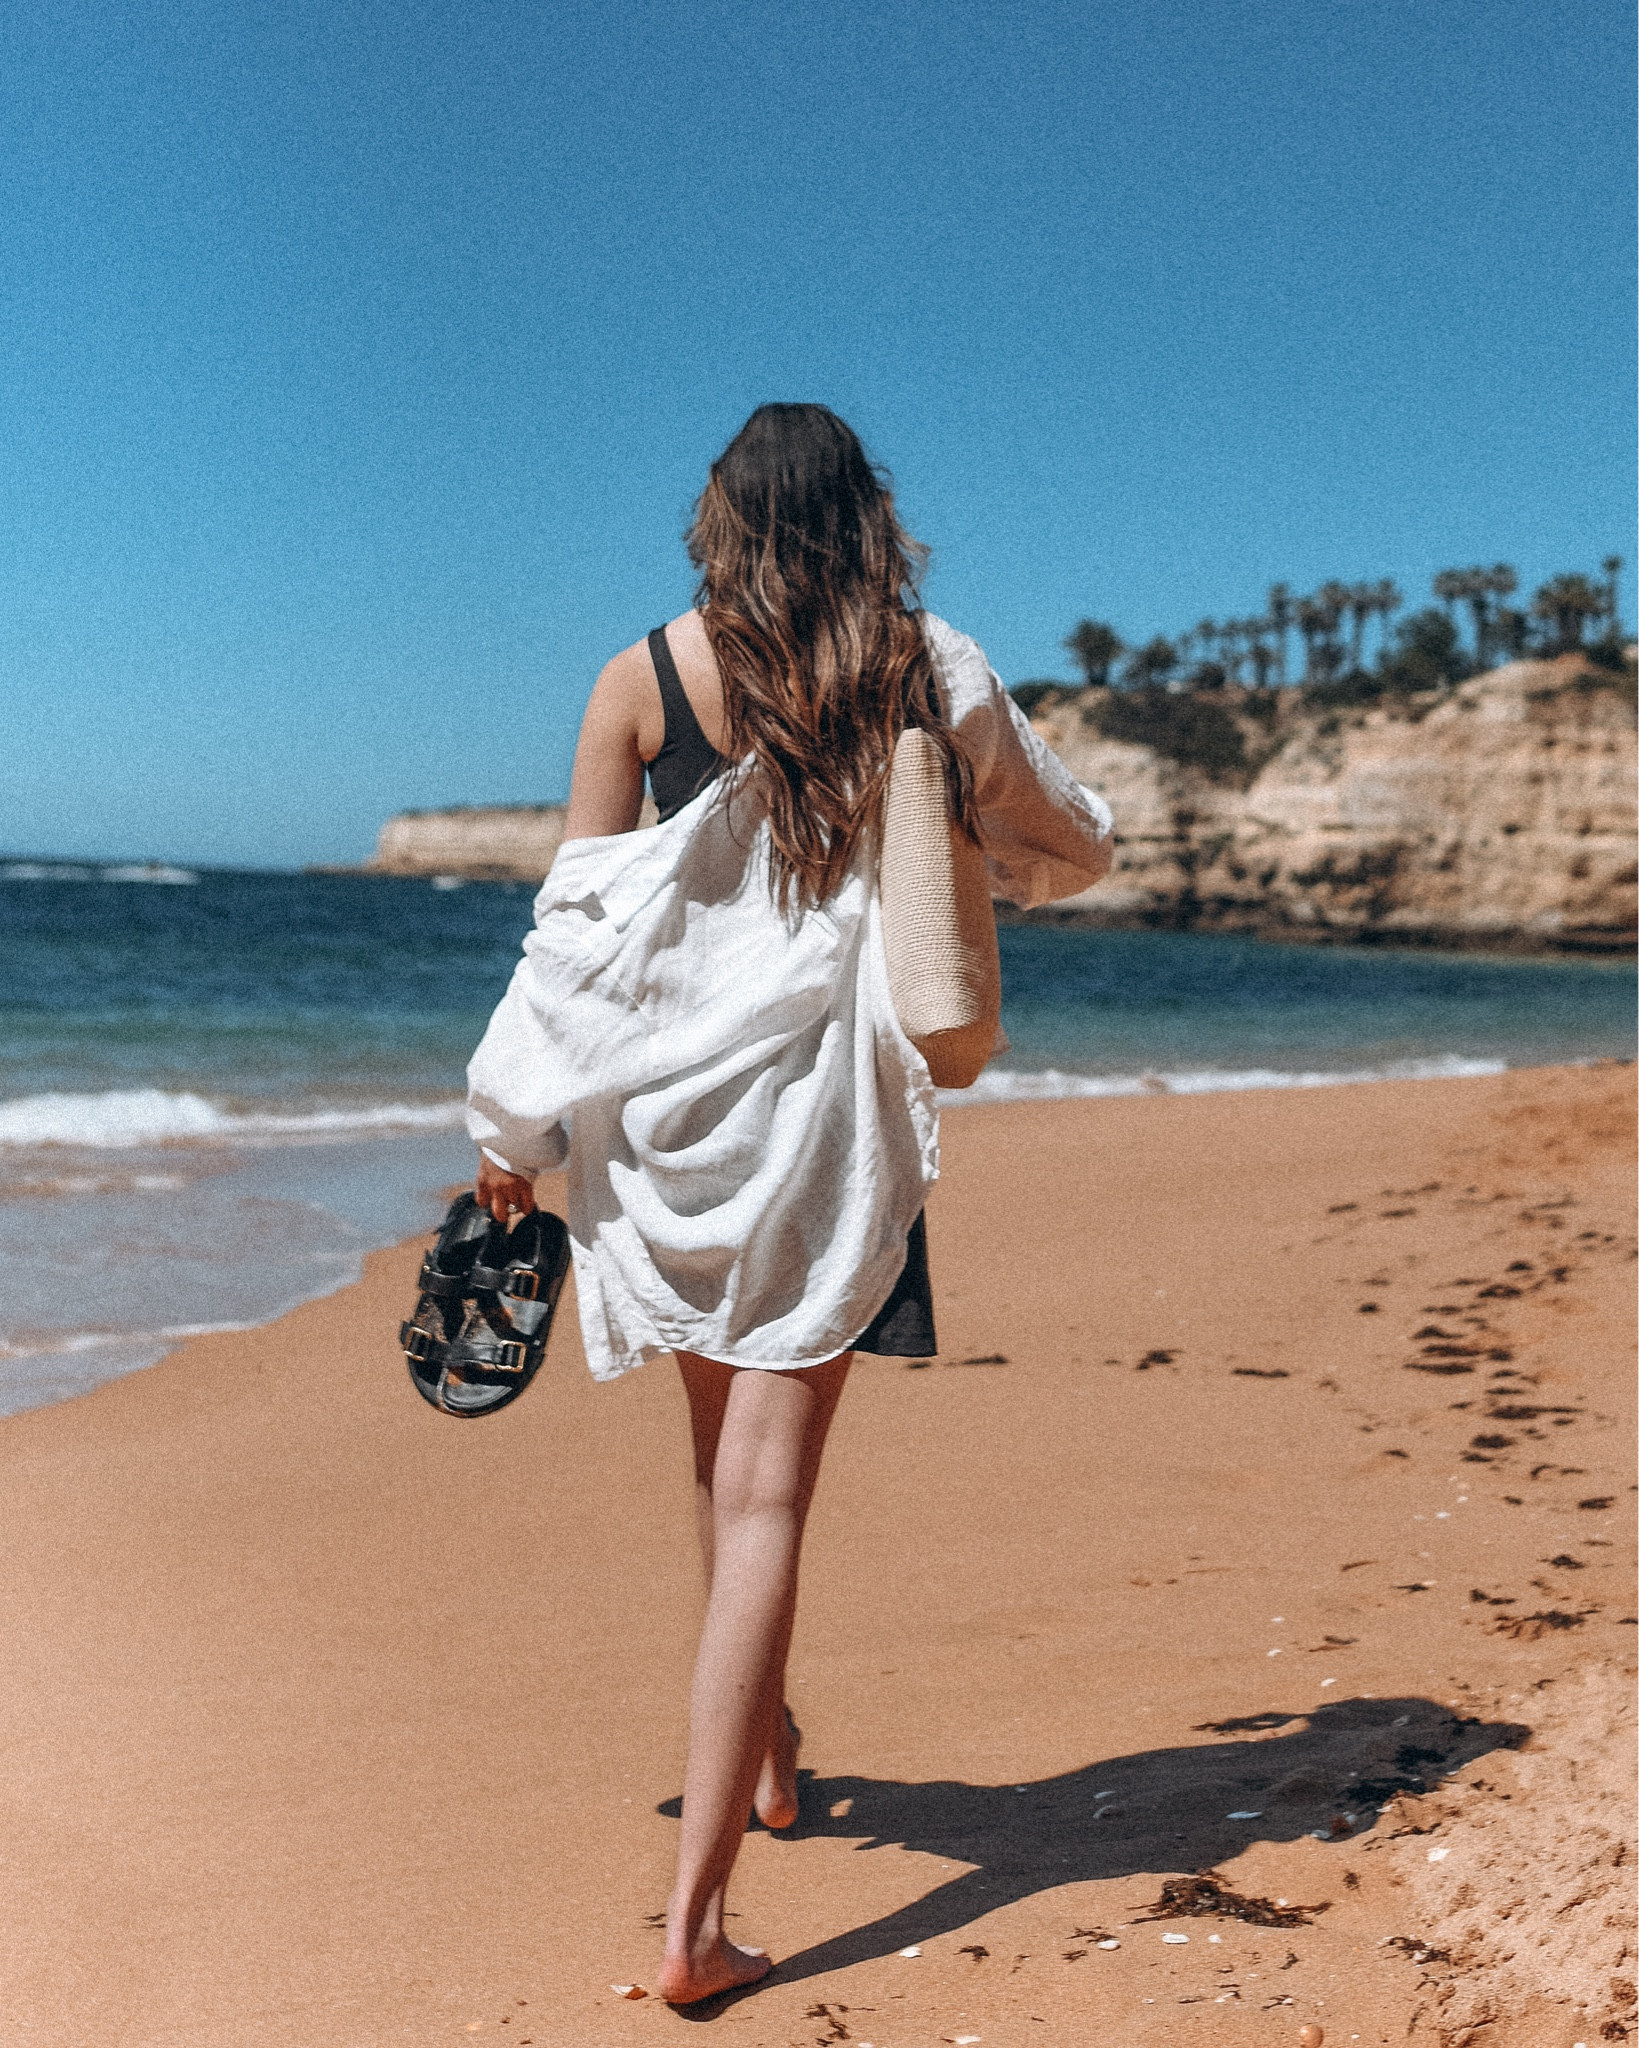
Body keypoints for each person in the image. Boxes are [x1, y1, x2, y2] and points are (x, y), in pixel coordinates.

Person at [464, 403, 1114, 2002]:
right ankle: (694, 1929)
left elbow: (579, 937)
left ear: (720, 517)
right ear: (863, 513)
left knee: (718, 1473)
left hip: (666, 1135)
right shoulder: (920, 661)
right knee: (763, 1501)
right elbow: (1070, 840)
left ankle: (762, 1756)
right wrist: (976, 839)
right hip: (822, 1135)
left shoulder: (639, 678)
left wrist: (509, 1122)